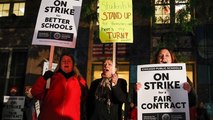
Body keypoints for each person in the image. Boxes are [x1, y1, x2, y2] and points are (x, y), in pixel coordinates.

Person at [135, 48, 198, 120]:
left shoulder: (181, 77)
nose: (163, 57)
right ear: (156, 59)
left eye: (167, 55)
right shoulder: (146, 77)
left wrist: (189, 91)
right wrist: (137, 92)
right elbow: (135, 103)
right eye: (160, 55)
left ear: (172, 59)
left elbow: (194, 102)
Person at [30, 52, 88, 120]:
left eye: (69, 61)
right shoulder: (51, 79)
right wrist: (44, 79)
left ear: (73, 65)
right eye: (63, 61)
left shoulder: (80, 81)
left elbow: (86, 101)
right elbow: (35, 92)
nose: (66, 62)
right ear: (60, 64)